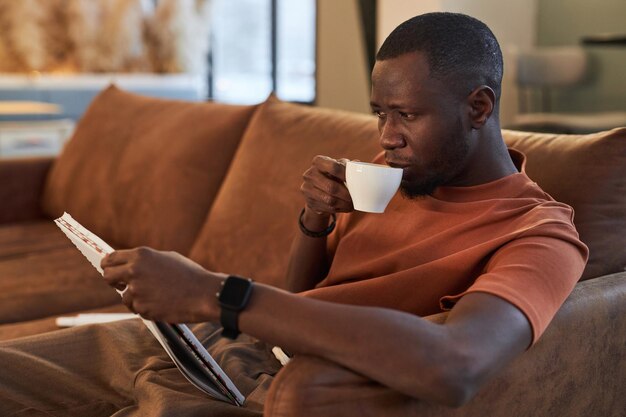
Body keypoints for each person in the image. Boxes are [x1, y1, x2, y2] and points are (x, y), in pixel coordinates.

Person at [0, 12, 587, 416]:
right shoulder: (388, 175)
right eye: (379, 113)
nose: (387, 136)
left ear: (478, 107)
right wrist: (314, 221)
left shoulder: (538, 235)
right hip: (217, 342)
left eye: (406, 115)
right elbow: (306, 294)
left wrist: (219, 295)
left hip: (270, 380)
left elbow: (457, 366)